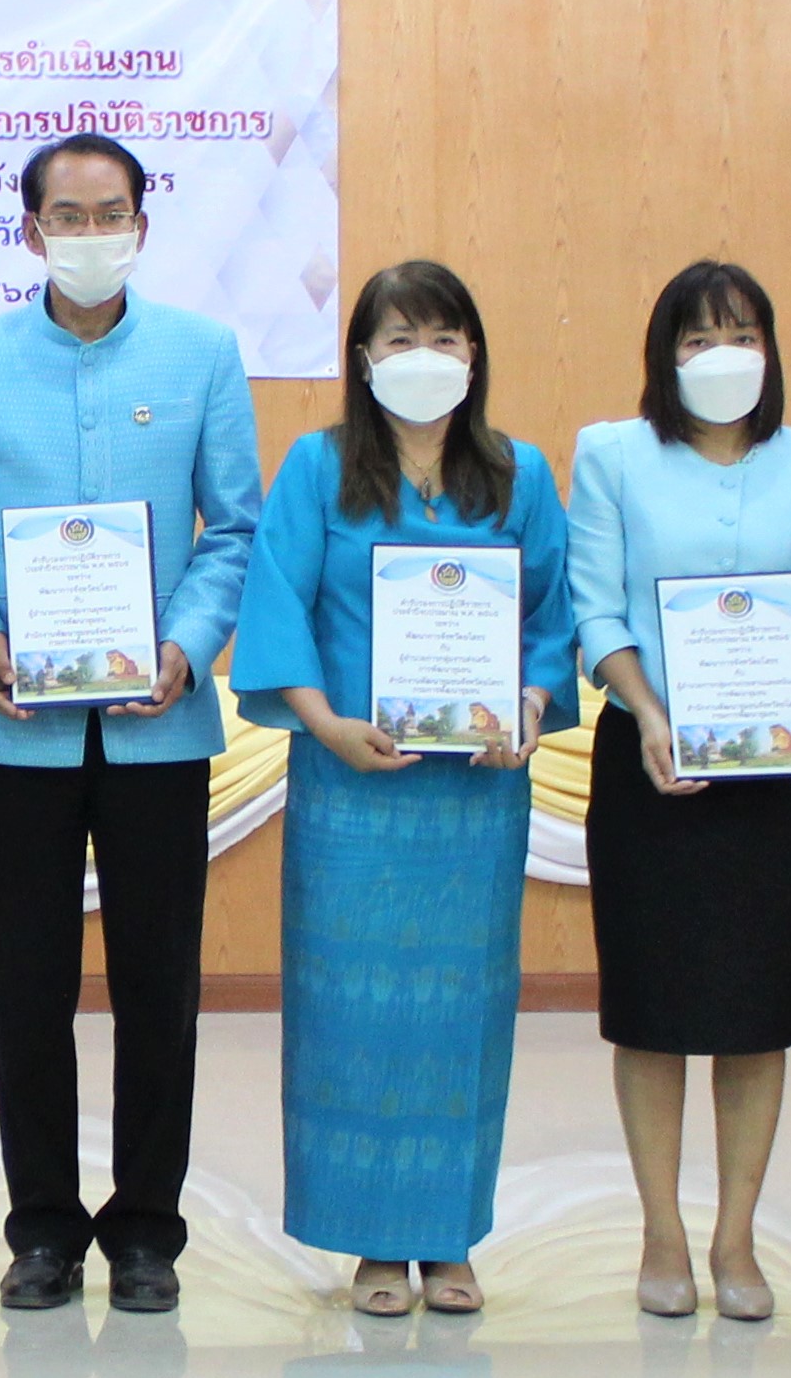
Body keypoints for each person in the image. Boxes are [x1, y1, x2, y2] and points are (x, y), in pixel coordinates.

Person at [0, 132, 260, 1316]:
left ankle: (149, 1229)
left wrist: (189, 642)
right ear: (32, 231)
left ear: (142, 227)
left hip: (160, 728)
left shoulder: (204, 355)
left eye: (112, 213)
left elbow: (233, 528)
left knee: (160, 988)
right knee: (29, 989)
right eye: (69, 215)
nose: (92, 233)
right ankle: (45, 1230)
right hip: (17, 732)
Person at [238, 259, 570, 1317]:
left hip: (475, 795)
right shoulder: (317, 467)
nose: (423, 358)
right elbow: (278, 598)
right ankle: (375, 1243)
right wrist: (325, 722)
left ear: (474, 355)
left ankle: (451, 1237)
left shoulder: (521, 474)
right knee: (352, 1011)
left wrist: (525, 707)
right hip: (351, 789)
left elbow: (553, 620)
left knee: (463, 1009)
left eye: (445, 337)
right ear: (362, 359)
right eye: (398, 339)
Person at [567, 259, 791, 1323]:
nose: (720, 355)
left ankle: (737, 1236)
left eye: (740, 333)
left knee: (756, 1014)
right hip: (651, 766)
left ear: (771, 349)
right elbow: (598, 610)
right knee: (651, 1011)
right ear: (662, 355)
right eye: (695, 338)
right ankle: (662, 1230)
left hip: (773, 774)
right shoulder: (613, 455)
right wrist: (647, 712)